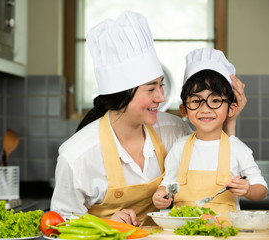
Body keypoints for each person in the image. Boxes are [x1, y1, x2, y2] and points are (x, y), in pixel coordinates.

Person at [50, 11, 247, 226]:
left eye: (161, 85)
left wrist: (230, 119)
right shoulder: (77, 155)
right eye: (151, 88)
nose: (161, 97)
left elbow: (216, 172)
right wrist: (103, 223)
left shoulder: (173, 131)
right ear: (122, 93)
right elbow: (59, 224)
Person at [152, 48, 267, 224]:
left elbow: (261, 189)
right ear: (184, 110)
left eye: (215, 100)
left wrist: (248, 189)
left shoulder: (236, 148)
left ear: (231, 108)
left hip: (225, 234)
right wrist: (160, 195)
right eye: (196, 101)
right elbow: (168, 183)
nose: (205, 109)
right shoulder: (179, 148)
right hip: (184, 234)